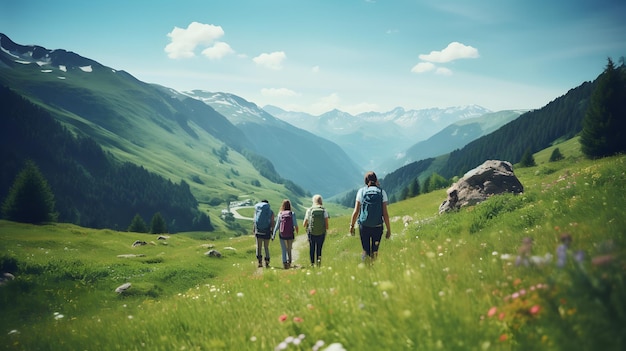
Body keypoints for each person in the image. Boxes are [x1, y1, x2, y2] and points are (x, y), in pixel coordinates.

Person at [349, 171, 391, 262]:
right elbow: (385, 214)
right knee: (374, 251)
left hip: (364, 226)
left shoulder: (361, 191)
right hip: (378, 226)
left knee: (365, 250)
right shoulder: (381, 192)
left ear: (365, 181)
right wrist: (388, 229)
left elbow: (356, 211)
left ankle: (365, 270)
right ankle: (373, 271)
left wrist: (351, 226)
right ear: (376, 180)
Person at [303, 194, 329, 267]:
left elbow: (304, 224)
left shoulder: (309, 210)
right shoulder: (324, 210)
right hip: (321, 233)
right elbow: (327, 226)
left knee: (312, 248)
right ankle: (318, 264)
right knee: (319, 249)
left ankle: (312, 264)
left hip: (311, 233)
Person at [273, 199, 299, 269]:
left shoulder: (280, 214)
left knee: (283, 249)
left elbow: (277, 225)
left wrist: (273, 234)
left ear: (283, 205)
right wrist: (297, 232)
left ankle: (284, 263)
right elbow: (295, 224)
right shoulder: (292, 214)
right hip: (290, 234)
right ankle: (289, 262)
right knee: (289, 249)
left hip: (282, 234)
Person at [253, 200, 275, 268]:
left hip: (258, 231)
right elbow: (272, 223)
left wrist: (254, 230)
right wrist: (272, 231)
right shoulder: (270, 212)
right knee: (266, 247)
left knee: (258, 247)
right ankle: (267, 261)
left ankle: (259, 262)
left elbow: (254, 221)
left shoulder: (257, 211)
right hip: (267, 231)